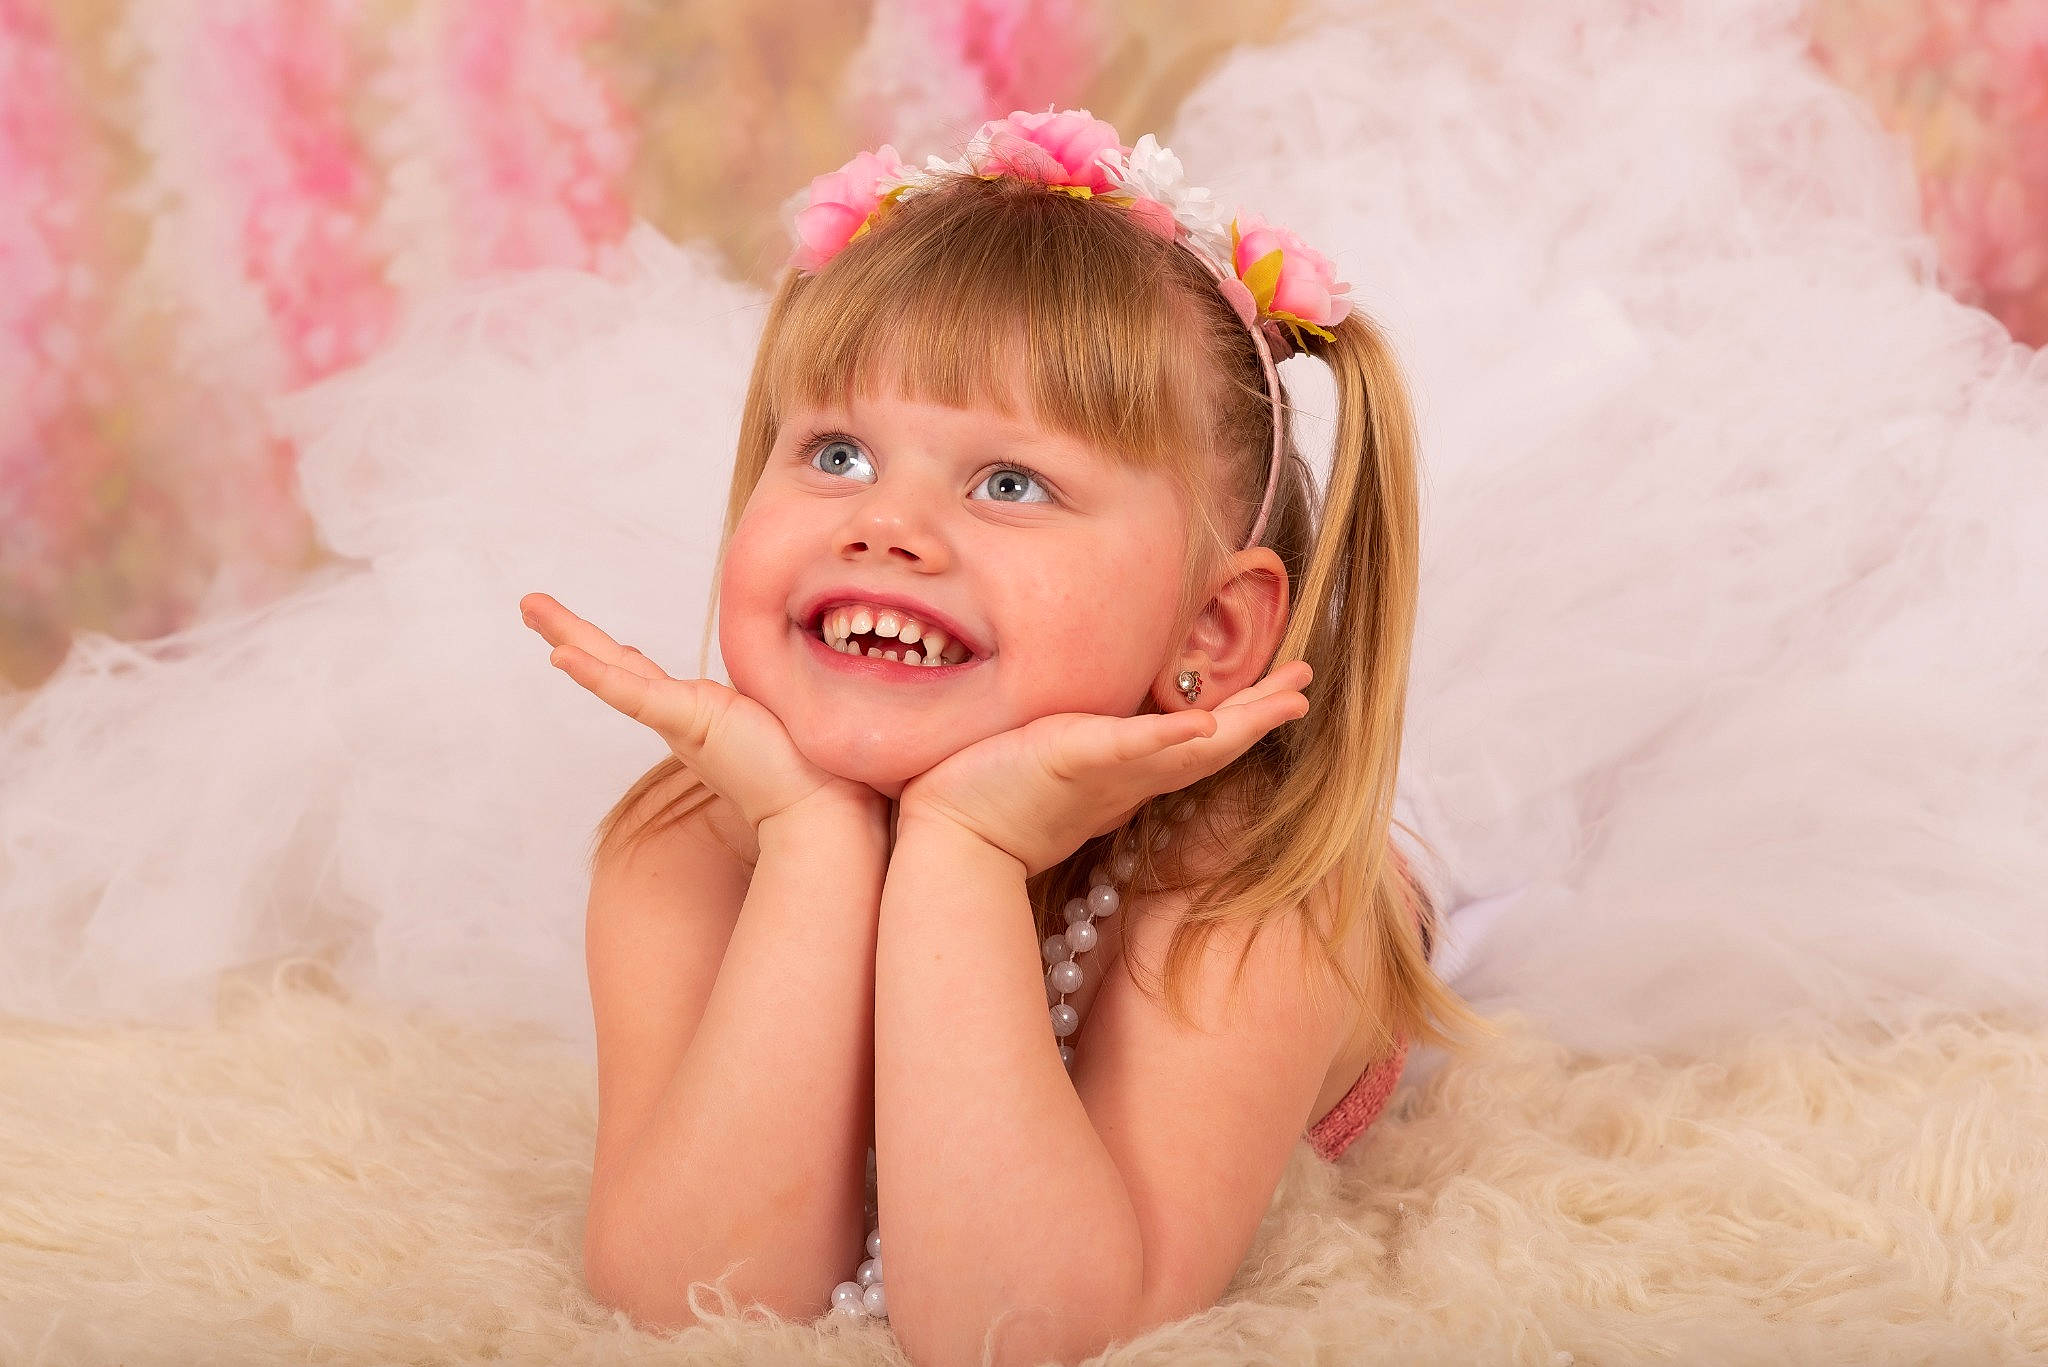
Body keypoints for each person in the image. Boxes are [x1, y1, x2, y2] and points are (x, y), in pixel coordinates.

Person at [520, 108, 1496, 1359]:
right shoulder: (689, 843)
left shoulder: (1246, 899)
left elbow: (1032, 1326)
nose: (884, 525)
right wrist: (814, 840)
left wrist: (963, 854)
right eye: (836, 452)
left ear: (1208, 627)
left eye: (1009, 483)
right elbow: (691, 1293)